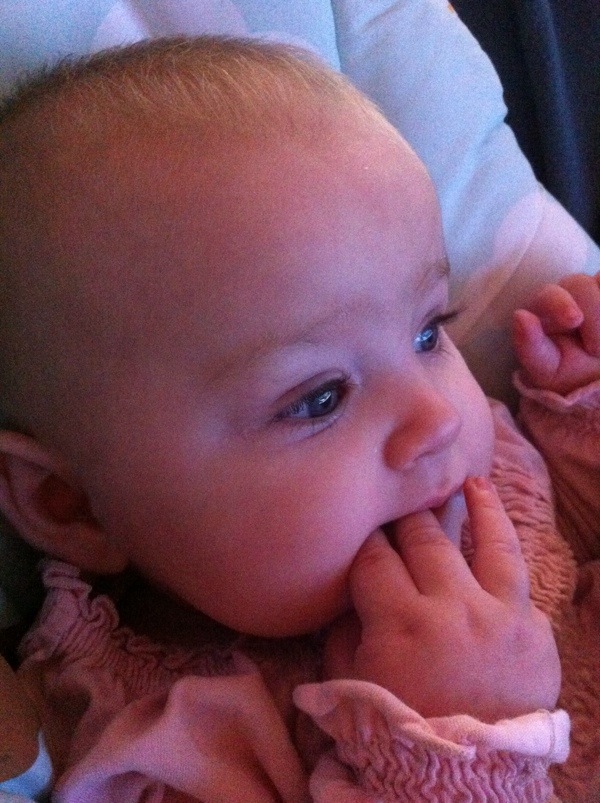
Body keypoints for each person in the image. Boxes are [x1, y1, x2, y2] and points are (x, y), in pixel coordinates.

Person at [0, 36, 598, 801]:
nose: (436, 417)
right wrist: (457, 740)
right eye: (320, 397)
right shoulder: (159, 751)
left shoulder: (475, 476)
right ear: (72, 504)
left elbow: (571, 545)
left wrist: (579, 411)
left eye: (427, 331)